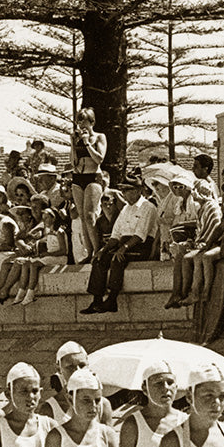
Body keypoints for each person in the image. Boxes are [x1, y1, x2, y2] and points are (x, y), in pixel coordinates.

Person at [81, 176, 157, 314]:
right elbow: (116, 234)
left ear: (138, 190)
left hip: (140, 246)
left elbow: (140, 235)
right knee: (99, 260)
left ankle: (112, 299)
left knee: (117, 259)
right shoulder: (126, 209)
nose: (125, 194)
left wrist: (123, 248)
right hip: (123, 244)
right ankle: (97, 299)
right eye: (123, 190)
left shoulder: (148, 207)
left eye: (128, 190)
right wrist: (103, 250)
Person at [70, 108, 108, 261]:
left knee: (89, 215)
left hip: (93, 177)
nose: (81, 125)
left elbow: (99, 159)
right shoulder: (77, 138)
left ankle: (98, 249)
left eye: (84, 121)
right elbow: (73, 162)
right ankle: (89, 251)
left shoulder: (99, 137)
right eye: (79, 121)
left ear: (91, 122)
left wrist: (87, 143)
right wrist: (73, 144)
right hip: (78, 177)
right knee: (81, 216)